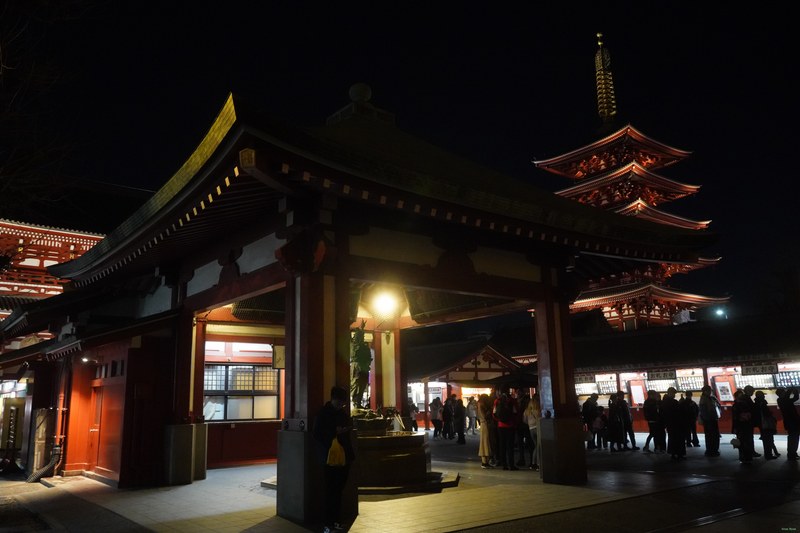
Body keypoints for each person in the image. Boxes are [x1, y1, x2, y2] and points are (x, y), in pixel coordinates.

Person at [313, 385, 355, 533]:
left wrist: (345, 430)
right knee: (330, 490)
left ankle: (336, 521)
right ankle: (328, 523)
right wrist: (334, 432)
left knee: (339, 490)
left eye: (343, 403)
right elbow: (317, 434)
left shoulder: (342, 413)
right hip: (329, 457)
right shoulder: (324, 413)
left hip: (344, 457)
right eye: (339, 402)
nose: (341, 405)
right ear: (332, 399)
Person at [493, 387, 519, 470]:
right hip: (510, 426)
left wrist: (499, 420)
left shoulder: (497, 401)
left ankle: (504, 465)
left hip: (501, 426)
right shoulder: (512, 400)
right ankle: (511, 464)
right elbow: (515, 412)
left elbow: (494, 414)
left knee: (502, 445)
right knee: (510, 446)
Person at [733, 385, 757, 463]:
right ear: (748, 391)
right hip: (745, 424)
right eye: (752, 391)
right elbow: (750, 410)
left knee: (743, 441)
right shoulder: (745, 400)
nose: (753, 393)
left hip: (742, 424)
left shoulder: (741, 400)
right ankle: (746, 457)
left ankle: (745, 456)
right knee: (746, 440)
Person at [661, 387, 686, 460]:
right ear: (670, 393)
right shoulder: (672, 402)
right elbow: (678, 411)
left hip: (670, 423)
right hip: (675, 423)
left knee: (672, 438)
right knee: (678, 439)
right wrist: (681, 403)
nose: (674, 395)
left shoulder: (664, 402)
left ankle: (673, 454)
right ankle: (679, 454)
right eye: (673, 393)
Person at [754, 390, 778, 459]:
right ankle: (768, 455)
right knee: (768, 439)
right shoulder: (762, 403)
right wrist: (771, 413)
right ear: (760, 396)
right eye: (763, 395)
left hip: (761, 424)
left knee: (766, 440)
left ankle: (769, 454)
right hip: (766, 424)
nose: (764, 396)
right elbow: (766, 414)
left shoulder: (756, 403)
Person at [698, 385, 721, 456]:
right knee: (711, 436)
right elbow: (704, 411)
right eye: (709, 390)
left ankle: (713, 450)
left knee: (712, 436)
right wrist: (708, 419)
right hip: (709, 421)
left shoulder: (711, 398)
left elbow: (718, 405)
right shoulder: (704, 399)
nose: (710, 392)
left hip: (712, 419)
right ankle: (711, 451)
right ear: (705, 391)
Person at [778, 387, 800, 460]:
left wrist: (793, 390)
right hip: (792, 422)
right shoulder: (782, 400)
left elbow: (795, 397)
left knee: (794, 438)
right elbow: (793, 397)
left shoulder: (783, 400)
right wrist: (791, 389)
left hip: (791, 422)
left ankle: (793, 453)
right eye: (784, 392)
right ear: (781, 394)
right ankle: (792, 454)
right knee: (793, 439)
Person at [523, 393, 541, 471]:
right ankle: (538, 464)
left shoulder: (527, 411)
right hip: (537, 428)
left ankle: (533, 463)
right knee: (538, 446)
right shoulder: (537, 409)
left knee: (535, 446)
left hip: (531, 429)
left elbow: (524, 420)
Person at [477, 393, 494, 468]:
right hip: (485, 424)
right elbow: (484, 416)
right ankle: (484, 462)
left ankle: (485, 461)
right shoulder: (482, 405)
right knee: (485, 442)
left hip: (483, 424)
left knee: (484, 442)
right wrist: (489, 412)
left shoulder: (479, 404)